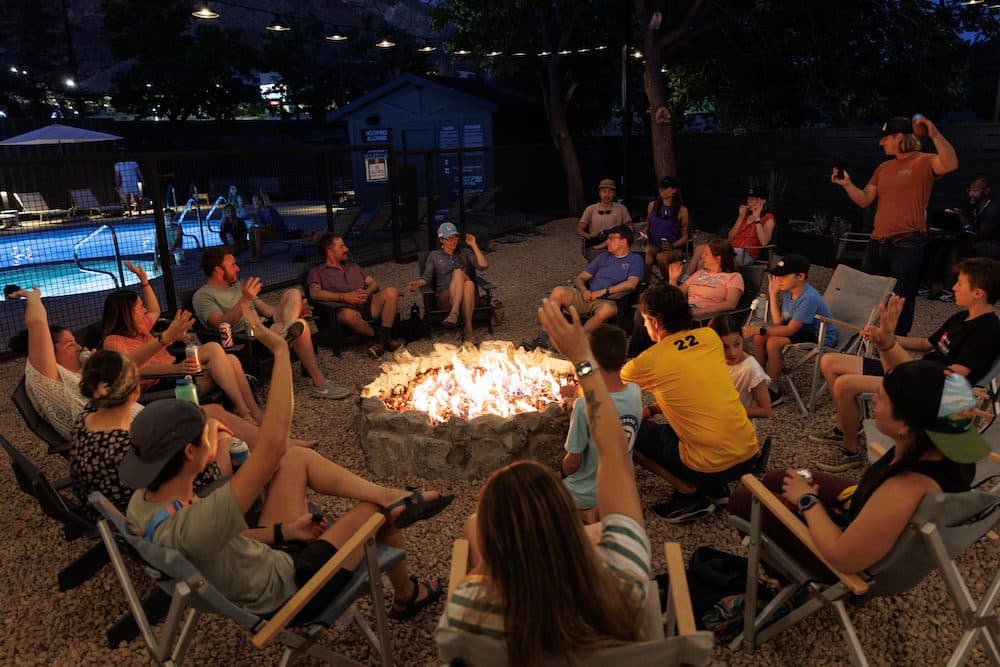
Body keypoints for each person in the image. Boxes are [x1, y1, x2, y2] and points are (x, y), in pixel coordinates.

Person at [121, 308, 453, 623]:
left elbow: (220, 537)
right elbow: (273, 445)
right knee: (379, 511)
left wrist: (283, 531)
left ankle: (394, 498)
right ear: (191, 453)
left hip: (263, 559)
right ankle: (408, 592)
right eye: (206, 431)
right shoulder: (199, 522)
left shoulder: (145, 505)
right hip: (291, 589)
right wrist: (281, 352)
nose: (215, 429)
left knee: (295, 459)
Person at [439, 297, 651, 665]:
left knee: (471, 525)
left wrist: (482, 552)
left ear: (500, 545)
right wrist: (582, 359)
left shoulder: (467, 614)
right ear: (565, 521)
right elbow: (614, 453)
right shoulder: (624, 577)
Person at [730, 360, 989, 581]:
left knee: (744, 498)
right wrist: (886, 344)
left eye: (883, 397)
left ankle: (792, 579)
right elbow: (926, 384)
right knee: (779, 478)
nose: (874, 398)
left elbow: (842, 557)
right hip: (866, 510)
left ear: (905, 425)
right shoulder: (944, 442)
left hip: (844, 566)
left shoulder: (904, 488)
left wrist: (807, 501)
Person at [6, 285, 320, 450]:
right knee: (212, 417)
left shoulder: (87, 377)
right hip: (131, 432)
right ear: (49, 353)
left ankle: (275, 442)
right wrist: (32, 296)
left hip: (134, 419)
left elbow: (126, 367)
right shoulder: (50, 381)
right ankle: (272, 444)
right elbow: (37, 322)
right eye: (68, 344)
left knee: (216, 415)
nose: (78, 346)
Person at [812, 257, 1000, 472]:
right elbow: (925, 344)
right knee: (830, 361)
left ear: (978, 293)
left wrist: (894, 351)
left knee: (844, 385)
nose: (954, 287)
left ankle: (850, 450)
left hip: (928, 387)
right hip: (914, 370)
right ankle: (843, 428)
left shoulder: (986, 330)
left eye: (960, 283)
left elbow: (955, 375)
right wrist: (887, 336)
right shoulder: (962, 317)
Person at [620, 284, 760, 523]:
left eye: (644, 320)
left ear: (654, 322)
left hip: (710, 465)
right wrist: (653, 408)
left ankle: (690, 495)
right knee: (684, 424)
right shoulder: (709, 337)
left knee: (625, 429)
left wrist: (579, 373)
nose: (644, 326)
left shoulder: (647, 362)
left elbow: (608, 386)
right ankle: (718, 489)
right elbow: (694, 389)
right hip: (749, 452)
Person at [831, 115, 959, 335]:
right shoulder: (883, 168)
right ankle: (864, 337)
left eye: (885, 139)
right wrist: (847, 184)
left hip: (907, 243)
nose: (881, 143)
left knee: (901, 296)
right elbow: (864, 200)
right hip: (876, 242)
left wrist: (934, 133)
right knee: (868, 292)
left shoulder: (924, 161)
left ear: (898, 137)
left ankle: (895, 343)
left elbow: (951, 163)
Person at [71, 350, 228, 521]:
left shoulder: (86, 417)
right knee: (227, 443)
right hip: (160, 518)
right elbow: (202, 459)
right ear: (136, 393)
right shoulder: (128, 447)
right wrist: (211, 427)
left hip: (111, 517)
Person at [102, 262, 264, 422]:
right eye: (139, 307)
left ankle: (252, 411)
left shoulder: (141, 326)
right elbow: (134, 369)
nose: (144, 310)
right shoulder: (113, 342)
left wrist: (144, 281)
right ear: (126, 315)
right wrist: (175, 368)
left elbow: (154, 310)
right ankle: (243, 410)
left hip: (178, 369)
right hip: (161, 383)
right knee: (225, 361)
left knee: (229, 358)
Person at [193, 246, 352, 400]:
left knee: (293, 293)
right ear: (218, 270)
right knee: (301, 326)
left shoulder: (238, 285)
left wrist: (294, 309)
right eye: (233, 265)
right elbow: (220, 323)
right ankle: (320, 384)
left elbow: (268, 311)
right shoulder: (203, 295)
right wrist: (245, 300)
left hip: (266, 326)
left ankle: (288, 328)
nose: (238, 268)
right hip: (247, 338)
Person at [561, 324, 641, 524]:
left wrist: (561, 472)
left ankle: (586, 516)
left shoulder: (583, 406)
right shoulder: (635, 392)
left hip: (584, 493)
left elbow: (573, 462)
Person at [740, 254, 837, 407]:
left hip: (819, 335)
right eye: (777, 276)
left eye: (783, 276)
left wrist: (756, 329)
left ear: (800, 276)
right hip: (801, 328)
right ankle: (759, 379)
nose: (778, 280)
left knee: (773, 342)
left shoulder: (808, 298)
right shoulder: (789, 292)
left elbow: (790, 330)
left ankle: (774, 390)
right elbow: (779, 321)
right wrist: (772, 294)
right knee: (760, 338)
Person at [308, 233, 403, 358]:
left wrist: (367, 292)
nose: (346, 249)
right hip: (345, 309)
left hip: (367, 304)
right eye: (341, 247)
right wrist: (344, 297)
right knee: (348, 315)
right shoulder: (318, 272)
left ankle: (381, 341)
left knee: (391, 291)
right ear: (329, 250)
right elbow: (315, 293)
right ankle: (384, 339)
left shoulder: (352, 266)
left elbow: (373, 283)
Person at [547, 225, 643, 333]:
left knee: (606, 310)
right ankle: (548, 334)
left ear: (623, 242)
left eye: (611, 239)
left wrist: (604, 291)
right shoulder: (603, 257)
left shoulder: (635, 259)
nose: (607, 242)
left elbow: (631, 284)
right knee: (558, 291)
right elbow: (581, 278)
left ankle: (580, 338)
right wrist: (584, 290)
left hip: (609, 301)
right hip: (588, 297)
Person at [406, 223, 488, 342]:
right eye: (449, 238)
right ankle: (466, 327)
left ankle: (460, 319)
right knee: (463, 277)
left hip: (468, 299)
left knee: (464, 279)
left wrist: (474, 245)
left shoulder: (464, 252)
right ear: (441, 240)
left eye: (455, 237)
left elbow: (483, 266)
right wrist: (417, 283)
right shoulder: (434, 256)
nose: (453, 241)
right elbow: (426, 277)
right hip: (445, 298)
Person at [684, 186, 775, 278]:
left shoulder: (768, 218)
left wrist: (757, 218)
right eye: (748, 199)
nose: (749, 202)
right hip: (731, 248)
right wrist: (740, 217)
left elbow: (764, 242)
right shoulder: (745, 216)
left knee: (704, 251)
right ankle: (698, 286)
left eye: (753, 199)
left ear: (763, 201)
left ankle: (685, 280)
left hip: (745, 254)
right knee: (701, 261)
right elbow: (730, 238)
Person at [709, 315, 772, 421]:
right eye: (725, 347)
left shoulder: (751, 369)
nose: (732, 353)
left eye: (737, 344)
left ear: (743, 338)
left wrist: (730, 411)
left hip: (738, 426)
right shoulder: (714, 357)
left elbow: (766, 410)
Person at [667, 238, 744, 320]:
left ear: (718, 258)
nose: (702, 257)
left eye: (705, 254)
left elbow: (730, 304)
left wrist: (700, 312)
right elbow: (676, 296)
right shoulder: (700, 273)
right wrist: (673, 280)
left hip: (706, 317)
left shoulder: (733, 277)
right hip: (686, 310)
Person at [643, 176, 689, 281]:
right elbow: (648, 225)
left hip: (672, 248)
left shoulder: (682, 210)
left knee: (661, 257)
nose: (661, 190)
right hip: (653, 245)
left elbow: (685, 237)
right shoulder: (652, 205)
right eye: (661, 187)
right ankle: (643, 286)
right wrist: (645, 232)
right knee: (648, 259)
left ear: (674, 190)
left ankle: (670, 284)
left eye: (665, 188)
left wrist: (672, 245)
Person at [577, 178, 631, 259]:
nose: (607, 194)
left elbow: (630, 227)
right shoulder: (591, 209)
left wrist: (622, 232)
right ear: (599, 193)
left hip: (616, 242)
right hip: (596, 241)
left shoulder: (621, 208)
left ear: (614, 194)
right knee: (599, 258)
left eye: (610, 192)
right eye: (604, 191)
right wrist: (588, 235)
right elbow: (579, 228)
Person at [249, 192, 303, 262]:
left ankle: (258, 256)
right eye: (253, 201)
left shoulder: (270, 210)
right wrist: (256, 224)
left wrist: (259, 226)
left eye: (255, 201)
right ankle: (253, 254)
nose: (254, 203)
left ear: (261, 201)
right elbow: (262, 225)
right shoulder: (259, 211)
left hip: (280, 233)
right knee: (251, 230)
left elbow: (274, 226)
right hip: (269, 232)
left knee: (256, 231)